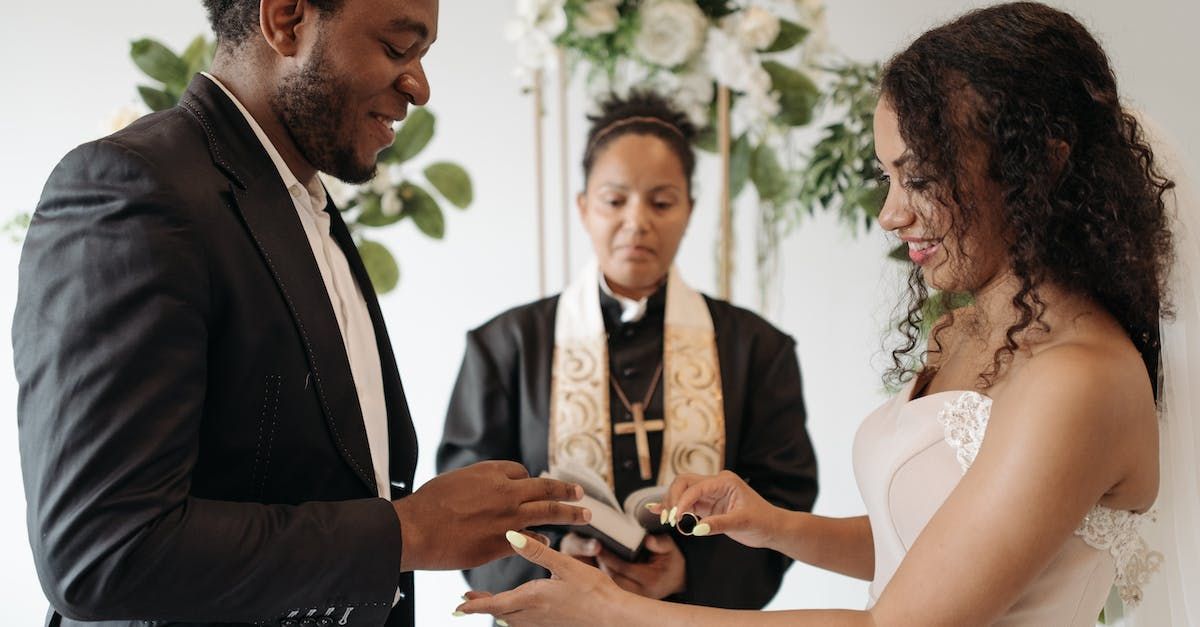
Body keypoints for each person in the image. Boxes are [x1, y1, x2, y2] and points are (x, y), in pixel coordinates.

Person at [454, 3, 1189, 625]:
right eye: (886, 175)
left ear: (1041, 164)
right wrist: (774, 524)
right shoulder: (968, 325)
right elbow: (931, 544)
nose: (889, 213)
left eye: (920, 177)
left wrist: (619, 611)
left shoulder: (1080, 379)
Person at [13, 1, 588, 626]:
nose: (420, 86)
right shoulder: (132, 188)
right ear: (287, 20)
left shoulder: (303, 201)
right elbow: (101, 550)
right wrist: (408, 532)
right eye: (399, 48)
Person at [437, 91, 818, 609]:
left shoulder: (757, 348)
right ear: (583, 207)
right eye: (614, 201)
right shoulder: (505, 344)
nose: (637, 222)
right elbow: (467, 497)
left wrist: (690, 571)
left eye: (661, 203)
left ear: (689, 209)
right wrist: (551, 557)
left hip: (694, 616)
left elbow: (785, 497)